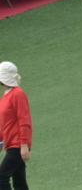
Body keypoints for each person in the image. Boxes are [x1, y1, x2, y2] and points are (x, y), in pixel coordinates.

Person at [0, 62, 29, 190]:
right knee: (19, 181)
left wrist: (24, 145)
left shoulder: (18, 94)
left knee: (2, 177)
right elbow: (3, 123)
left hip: (17, 145)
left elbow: (24, 120)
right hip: (10, 144)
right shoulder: (6, 96)